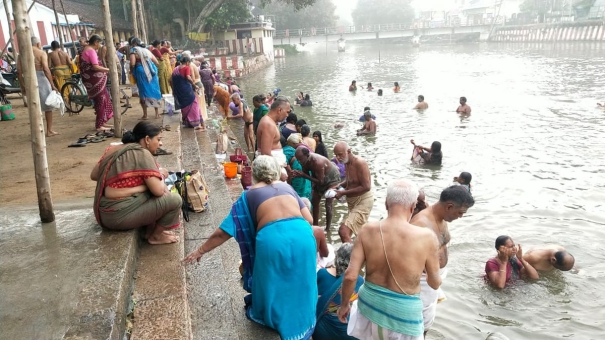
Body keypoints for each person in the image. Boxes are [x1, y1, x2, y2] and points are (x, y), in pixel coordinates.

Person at [182, 156, 317, 340]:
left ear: (255, 174)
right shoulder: (288, 188)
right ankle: (303, 321)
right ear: (276, 172)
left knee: (267, 280)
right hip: (303, 236)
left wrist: (200, 251)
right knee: (302, 279)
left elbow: (224, 232)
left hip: (271, 239)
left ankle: (273, 315)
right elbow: (309, 220)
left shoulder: (249, 195)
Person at [337, 180, 442, 340]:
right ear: (413, 206)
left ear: (386, 203)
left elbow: (351, 275)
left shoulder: (367, 230)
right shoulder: (427, 237)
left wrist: (344, 305)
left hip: (369, 308)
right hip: (404, 316)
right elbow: (434, 283)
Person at [91, 121, 181, 245]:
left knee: (150, 190)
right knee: (175, 200)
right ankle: (155, 236)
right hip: (118, 216)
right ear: (147, 139)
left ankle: (149, 230)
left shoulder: (112, 149)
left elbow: (95, 175)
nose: (161, 144)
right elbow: (158, 191)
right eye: (158, 139)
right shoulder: (142, 153)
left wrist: (131, 184)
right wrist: (161, 174)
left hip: (104, 213)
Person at [410, 185, 475, 335]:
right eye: (460, 212)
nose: (461, 216)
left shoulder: (441, 217)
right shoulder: (420, 224)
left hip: (434, 280)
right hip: (422, 283)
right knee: (417, 327)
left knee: (426, 324)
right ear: (449, 206)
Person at [314, 243, 364, 340]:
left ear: (337, 256)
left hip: (322, 330)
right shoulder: (359, 280)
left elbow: (315, 298)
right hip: (346, 331)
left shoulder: (322, 274)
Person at [18, 37, 59, 136]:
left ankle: (37, 131)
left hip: (29, 79)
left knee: (34, 107)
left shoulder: (21, 54)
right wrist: (52, 85)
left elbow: (19, 72)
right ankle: (49, 130)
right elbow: (46, 69)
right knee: (48, 107)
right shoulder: (41, 53)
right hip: (42, 79)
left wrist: (22, 86)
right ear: (38, 44)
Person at [333, 141, 373, 243]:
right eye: (336, 155)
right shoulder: (346, 163)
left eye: (340, 154)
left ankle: (350, 257)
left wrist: (343, 193)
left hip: (363, 201)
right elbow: (350, 180)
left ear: (349, 151)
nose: (338, 158)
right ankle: (366, 252)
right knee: (360, 233)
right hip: (352, 202)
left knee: (343, 231)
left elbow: (367, 187)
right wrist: (339, 185)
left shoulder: (360, 162)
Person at [293, 147, 342, 231]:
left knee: (328, 204)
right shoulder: (303, 161)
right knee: (314, 202)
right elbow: (307, 174)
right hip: (319, 178)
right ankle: (315, 226)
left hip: (332, 179)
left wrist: (304, 175)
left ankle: (327, 228)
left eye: (300, 159)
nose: (299, 161)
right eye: (297, 159)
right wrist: (299, 174)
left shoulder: (318, 162)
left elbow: (321, 182)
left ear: (307, 155)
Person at [80, 35, 114, 132]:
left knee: (103, 98)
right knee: (101, 100)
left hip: (89, 80)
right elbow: (95, 66)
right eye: (99, 43)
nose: (99, 45)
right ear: (96, 42)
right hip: (93, 80)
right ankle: (99, 125)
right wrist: (108, 70)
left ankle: (102, 121)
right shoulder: (91, 51)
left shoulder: (86, 49)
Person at [257, 96, 291, 179]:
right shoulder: (268, 124)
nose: (287, 115)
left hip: (275, 167)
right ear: (279, 110)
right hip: (271, 170)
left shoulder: (272, 122)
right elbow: (265, 154)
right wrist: (279, 173)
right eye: (287, 112)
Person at [130, 38, 162, 120]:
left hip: (141, 72)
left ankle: (145, 115)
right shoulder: (147, 50)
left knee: (143, 92)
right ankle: (157, 114)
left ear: (133, 44)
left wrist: (131, 71)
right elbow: (157, 62)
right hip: (152, 71)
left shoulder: (133, 50)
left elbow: (133, 63)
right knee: (154, 90)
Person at [170, 56, 204, 131]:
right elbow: (188, 77)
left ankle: (188, 122)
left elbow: (170, 80)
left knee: (184, 106)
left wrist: (173, 90)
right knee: (194, 104)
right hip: (186, 90)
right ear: (188, 62)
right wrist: (194, 85)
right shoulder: (186, 68)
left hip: (179, 92)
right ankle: (195, 122)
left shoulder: (175, 69)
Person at [284, 134, 312, 201]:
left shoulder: (288, 151)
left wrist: (289, 182)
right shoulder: (305, 147)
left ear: (292, 143)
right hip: (307, 172)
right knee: (306, 191)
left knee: (297, 194)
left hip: (298, 171)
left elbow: (289, 171)